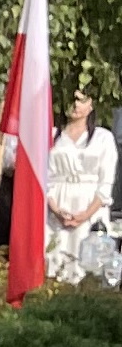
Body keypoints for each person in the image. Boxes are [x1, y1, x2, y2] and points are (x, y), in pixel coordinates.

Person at [51, 93, 115, 284]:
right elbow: (46, 177)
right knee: (56, 259)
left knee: (87, 266)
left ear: (91, 105)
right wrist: (55, 209)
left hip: (90, 204)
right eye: (72, 99)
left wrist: (87, 213)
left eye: (81, 100)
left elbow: (106, 182)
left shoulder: (103, 137)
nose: (75, 105)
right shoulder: (52, 135)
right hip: (58, 206)